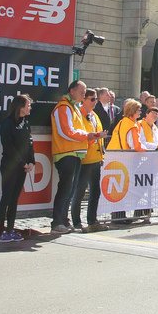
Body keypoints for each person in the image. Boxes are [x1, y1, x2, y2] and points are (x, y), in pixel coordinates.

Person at [50, 80, 100, 233]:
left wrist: (89, 137)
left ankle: (64, 222)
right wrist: (87, 136)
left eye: (85, 93)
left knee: (69, 190)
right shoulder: (64, 107)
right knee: (65, 189)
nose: (84, 95)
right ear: (72, 91)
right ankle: (57, 222)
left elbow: (73, 130)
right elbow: (65, 131)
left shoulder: (73, 108)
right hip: (66, 154)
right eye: (82, 92)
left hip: (75, 153)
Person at [0, 94, 35, 242]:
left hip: (23, 167)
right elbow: (8, 146)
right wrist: (21, 162)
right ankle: (0, 232)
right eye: (28, 105)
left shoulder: (26, 123)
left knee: (14, 199)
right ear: (20, 107)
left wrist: (31, 161)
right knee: (6, 197)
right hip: (10, 166)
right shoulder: (7, 124)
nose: (30, 108)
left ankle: (10, 229)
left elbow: (29, 143)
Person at [74, 88, 110, 232]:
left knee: (95, 192)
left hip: (95, 158)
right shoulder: (79, 115)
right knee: (79, 191)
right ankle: (76, 222)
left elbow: (98, 137)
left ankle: (92, 220)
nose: (95, 102)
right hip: (84, 159)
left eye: (96, 99)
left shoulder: (94, 115)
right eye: (92, 99)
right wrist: (95, 136)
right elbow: (81, 136)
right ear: (83, 100)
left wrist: (102, 155)